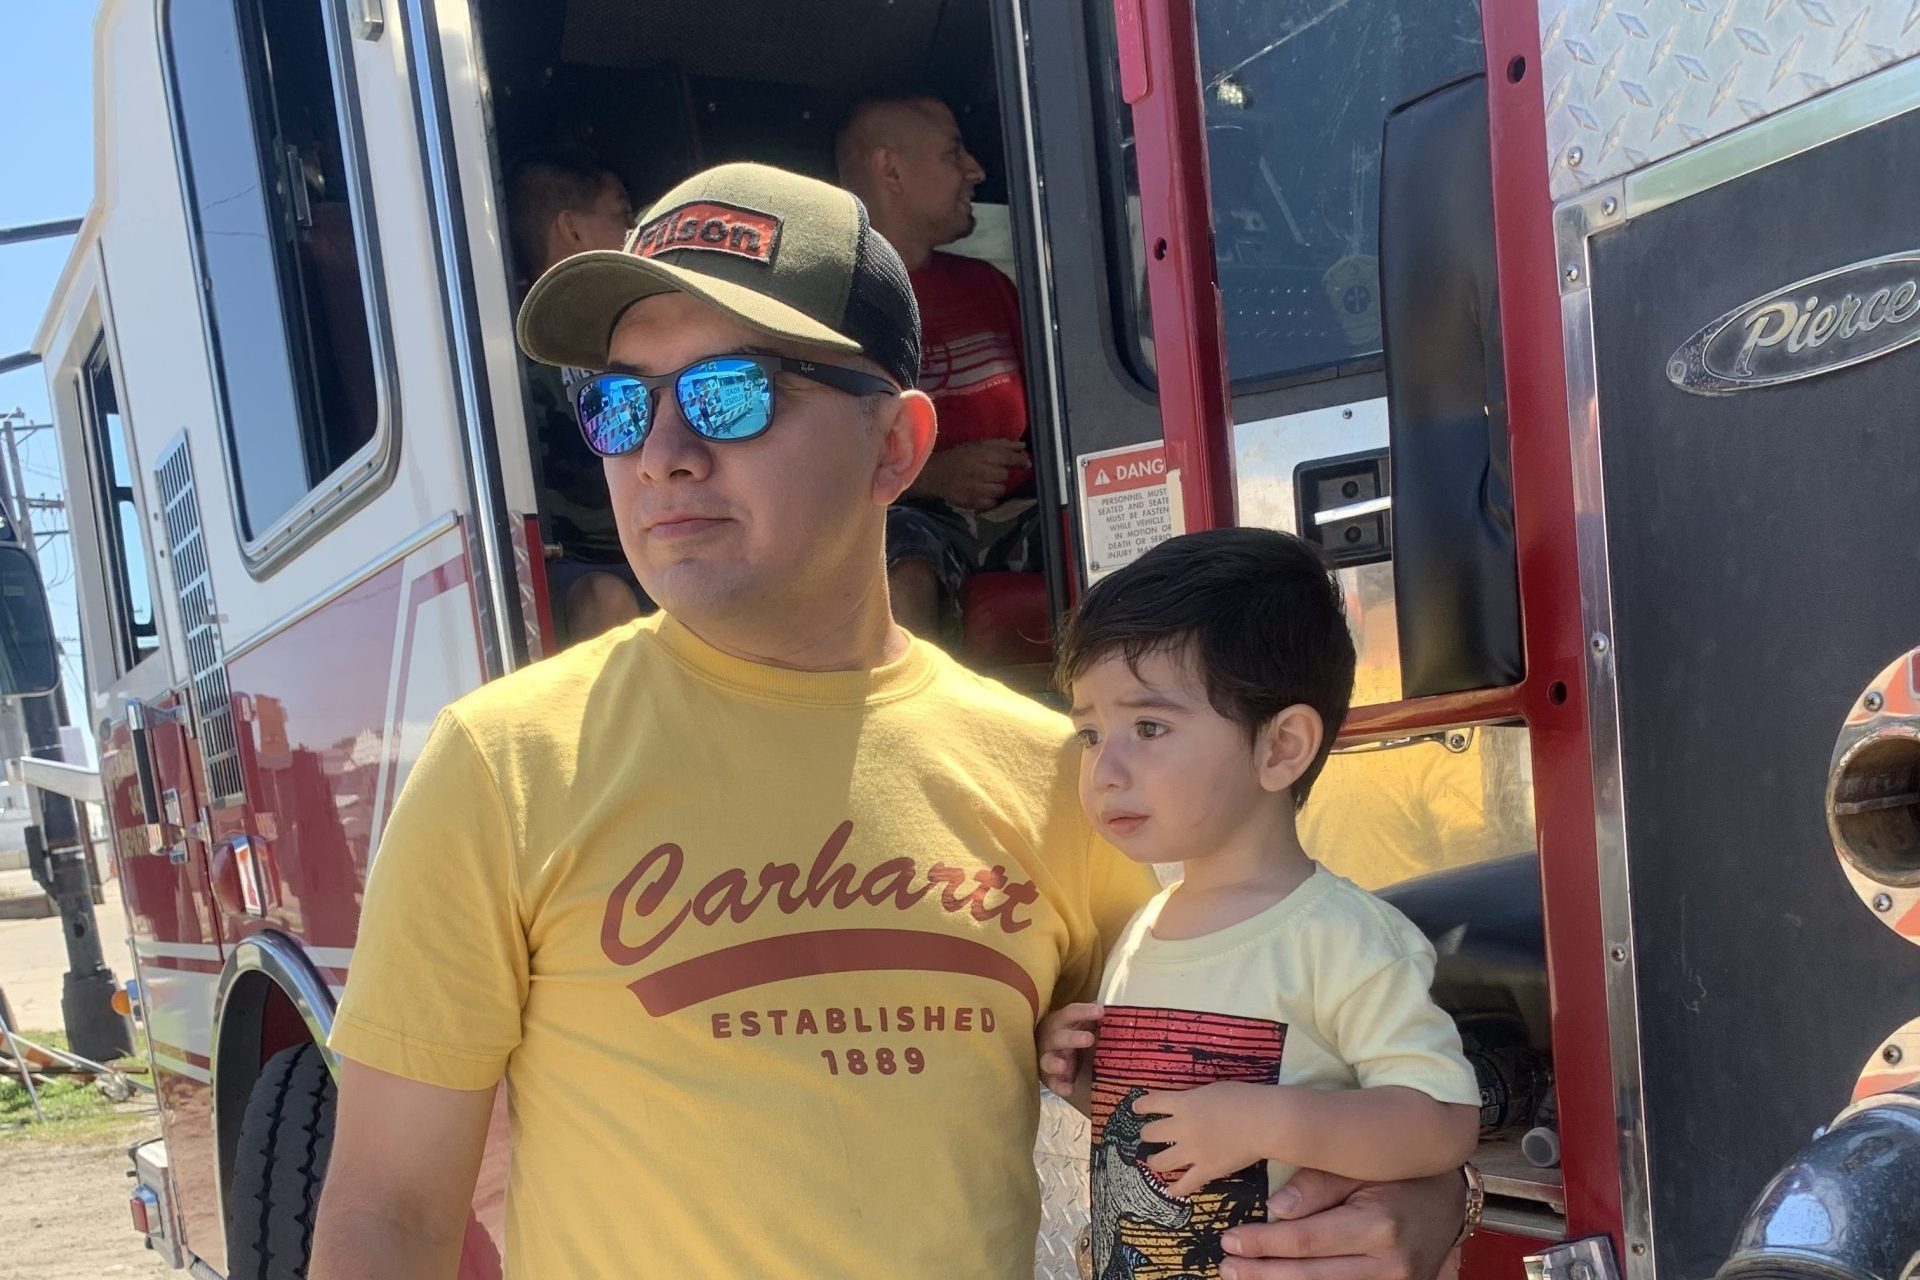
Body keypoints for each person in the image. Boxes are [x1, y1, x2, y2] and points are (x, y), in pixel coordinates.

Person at [309, 162, 1471, 1279]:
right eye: (618, 405)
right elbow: (389, 1208)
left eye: (731, 390)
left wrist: (1425, 1202)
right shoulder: (502, 765)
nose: (662, 455)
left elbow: (1268, 1057)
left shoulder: (1058, 778)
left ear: (897, 445)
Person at [1040, 528, 1482, 1275]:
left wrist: (1263, 1120)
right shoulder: (1149, 924)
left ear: (1281, 748)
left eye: (1148, 726)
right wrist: (1088, 1081)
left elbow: (1440, 1122)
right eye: (1089, 732)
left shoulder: (1340, 937)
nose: (1104, 770)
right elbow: (1170, 1137)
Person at [837, 96, 1038, 640]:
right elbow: (808, 460)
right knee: (895, 565)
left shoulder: (990, 286)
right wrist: (932, 476)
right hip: (908, 520)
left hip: (1025, 511)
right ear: (890, 170)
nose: (976, 171)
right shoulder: (832, 306)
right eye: (954, 154)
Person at [505, 148, 648, 643]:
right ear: (573, 229)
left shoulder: (645, 330)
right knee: (605, 602)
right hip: (579, 563)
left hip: (657, 544)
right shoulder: (512, 354)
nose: (639, 236)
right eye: (624, 217)